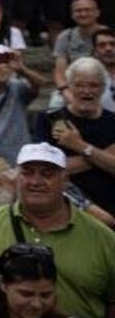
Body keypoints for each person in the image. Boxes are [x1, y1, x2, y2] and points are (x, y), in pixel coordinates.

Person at [0, 143, 115, 318]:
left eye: (47, 173)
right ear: (17, 178)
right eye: (27, 172)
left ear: (65, 179)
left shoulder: (102, 238)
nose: (36, 181)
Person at [35, 58, 115, 216]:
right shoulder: (49, 120)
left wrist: (79, 145)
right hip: (64, 210)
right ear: (69, 87)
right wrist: (104, 157)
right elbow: (46, 170)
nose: (86, 91)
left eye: (93, 85)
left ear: (103, 88)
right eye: (79, 85)